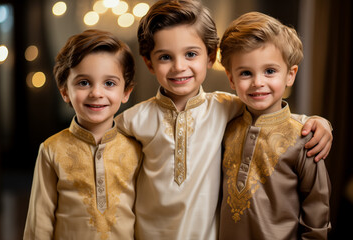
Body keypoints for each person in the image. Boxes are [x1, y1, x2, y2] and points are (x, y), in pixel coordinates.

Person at [115, 0, 333, 239]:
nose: (179, 66)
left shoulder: (224, 107)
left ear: (210, 58)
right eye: (165, 57)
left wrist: (319, 122)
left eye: (190, 54)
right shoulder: (131, 121)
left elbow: (272, 116)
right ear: (149, 63)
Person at [218, 11, 331, 239]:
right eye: (246, 73)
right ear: (231, 79)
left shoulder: (306, 137)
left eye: (270, 71)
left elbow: (317, 214)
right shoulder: (224, 126)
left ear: (290, 75)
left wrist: (324, 124)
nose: (258, 82)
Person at [23, 29, 142, 240]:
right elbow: (39, 223)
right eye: (84, 82)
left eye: (109, 83)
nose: (96, 93)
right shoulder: (51, 150)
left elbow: (145, 217)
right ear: (64, 91)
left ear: (126, 92)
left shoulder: (137, 148)